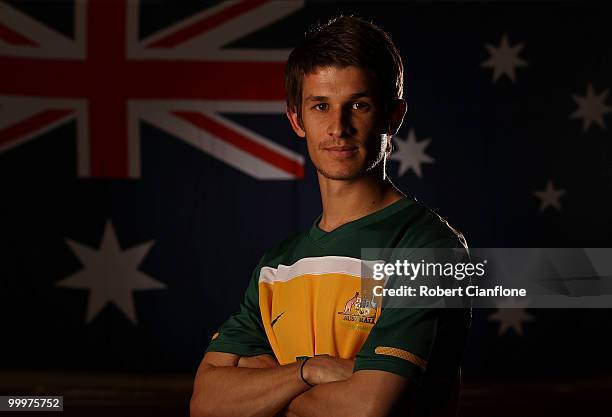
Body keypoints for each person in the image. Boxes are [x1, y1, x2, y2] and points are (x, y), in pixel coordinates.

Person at [190, 15, 470, 417]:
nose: (338, 128)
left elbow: (368, 408)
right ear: (296, 119)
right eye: (320, 106)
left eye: (358, 105)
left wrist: (267, 384)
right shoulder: (276, 266)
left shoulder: (428, 248)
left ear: (393, 115)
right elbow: (206, 402)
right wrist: (309, 371)